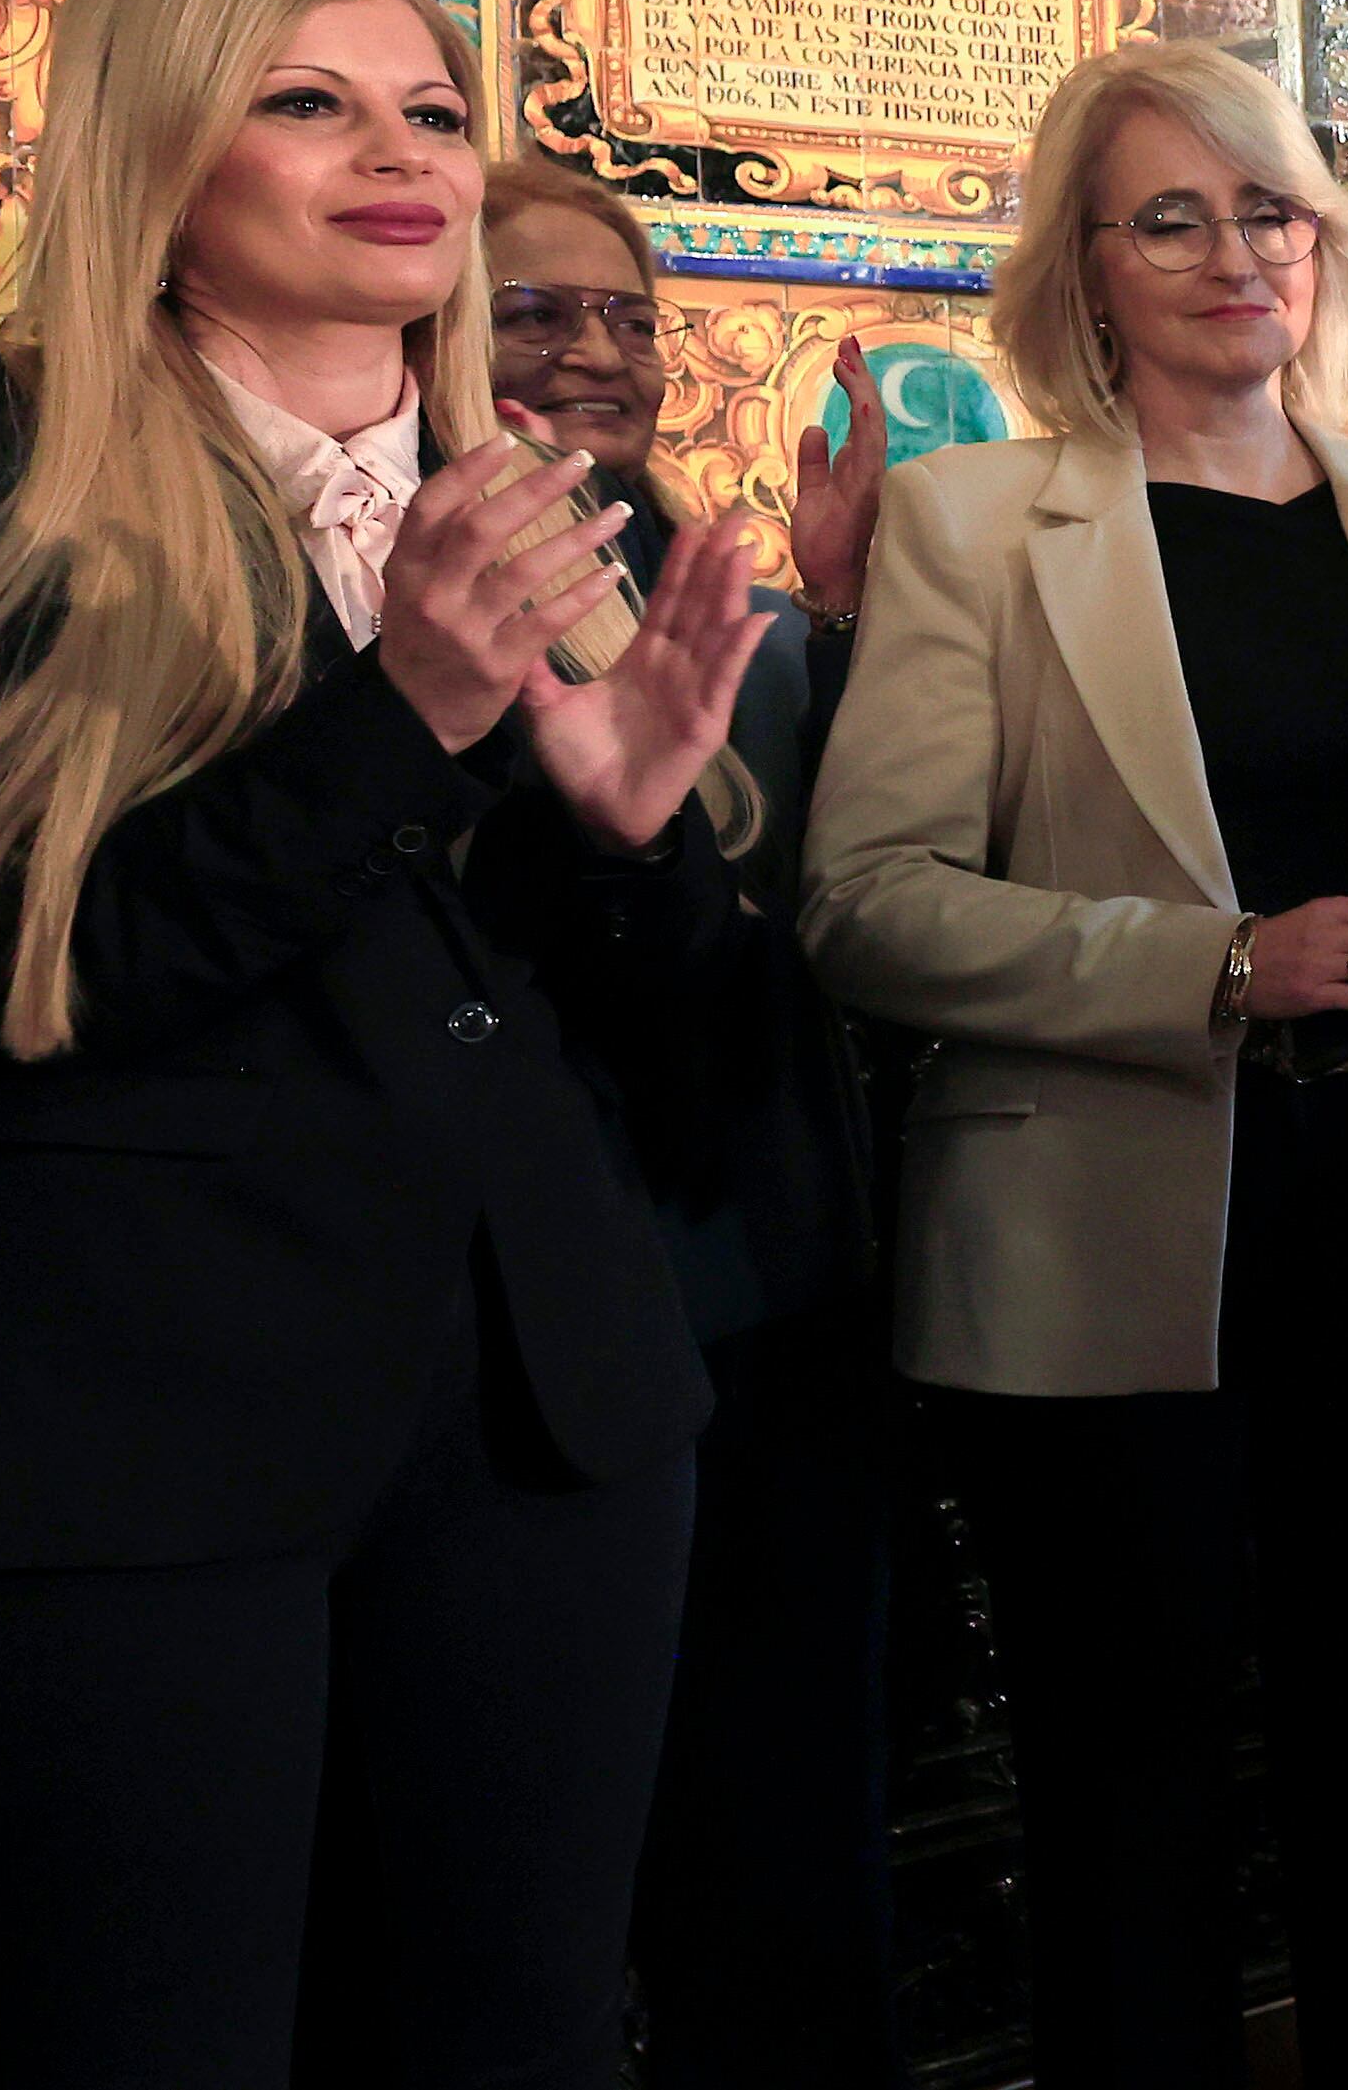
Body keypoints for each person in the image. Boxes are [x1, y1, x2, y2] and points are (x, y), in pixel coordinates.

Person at [0, 0, 771, 2088]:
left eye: (432, 107)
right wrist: (408, 701)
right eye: (308, 102)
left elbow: (693, 1067)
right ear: (161, 149)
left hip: (547, 1423)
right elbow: (24, 985)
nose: (398, 153)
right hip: (123, 1432)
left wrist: (636, 845)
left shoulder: (553, 506)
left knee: (516, 2039)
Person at [797, 41, 1348, 2086]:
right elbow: (867, 900)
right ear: (1091, 272)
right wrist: (1227, 964)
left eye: (1272, 207)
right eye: (1175, 217)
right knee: (1127, 1800)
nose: (1239, 251)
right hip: (1097, 1247)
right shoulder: (975, 520)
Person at [479, 162, 906, 2089]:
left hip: (779, 1267)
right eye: (535, 312)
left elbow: (835, 900)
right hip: (554, 1291)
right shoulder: (410, 575)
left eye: (629, 316)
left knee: (789, 1802)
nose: (598, 354)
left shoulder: (718, 581)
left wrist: (856, 619)